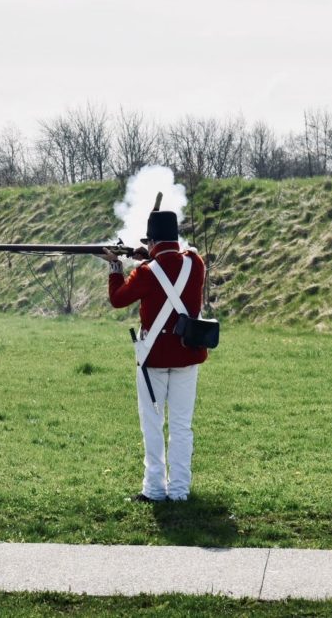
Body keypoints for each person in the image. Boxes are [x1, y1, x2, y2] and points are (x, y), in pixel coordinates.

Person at [99, 209, 207, 502]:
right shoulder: (195, 264)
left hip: (154, 359)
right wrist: (146, 255)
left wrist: (114, 266)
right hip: (187, 355)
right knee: (182, 427)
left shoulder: (146, 272)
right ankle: (180, 491)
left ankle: (155, 490)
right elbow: (181, 256)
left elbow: (118, 299)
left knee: (153, 425)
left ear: (153, 240)